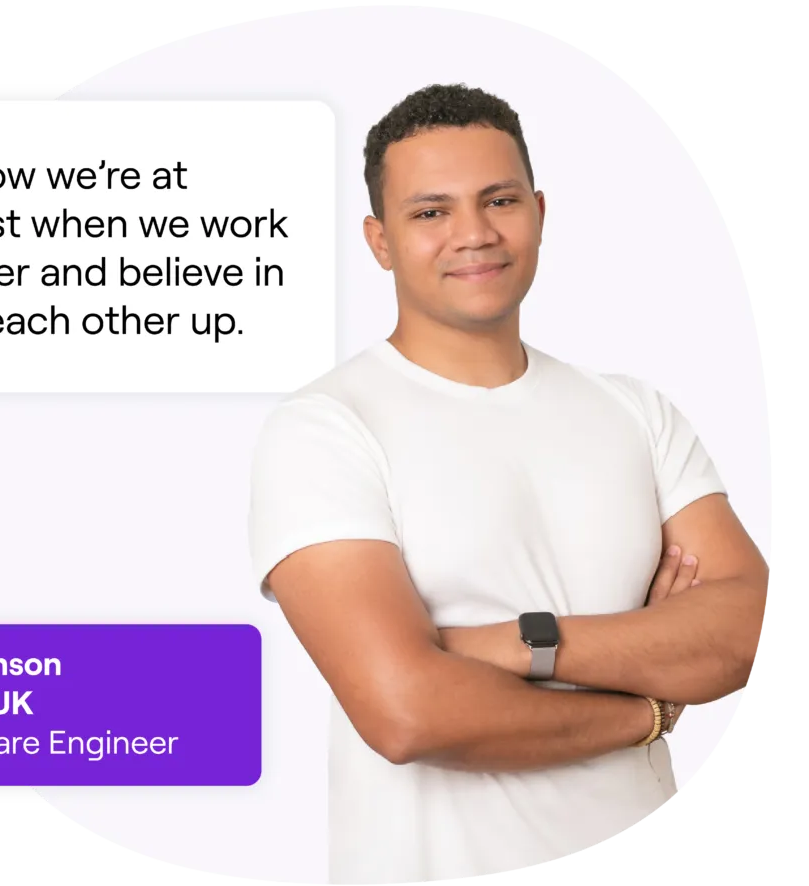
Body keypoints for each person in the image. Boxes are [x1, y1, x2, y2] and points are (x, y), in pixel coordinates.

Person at [247, 83, 768, 884]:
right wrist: (648, 707)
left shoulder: (634, 409)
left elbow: (738, 633)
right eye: (431, 212)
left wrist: (500, 648)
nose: (475, 234)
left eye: (499, 200)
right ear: (379, 241)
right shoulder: (325, 428)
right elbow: (406, 713)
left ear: (540, 211)